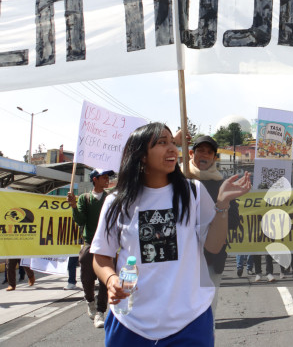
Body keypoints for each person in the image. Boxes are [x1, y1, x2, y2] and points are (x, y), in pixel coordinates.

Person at [90, 122, 251, 345]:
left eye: (172, 143)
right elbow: (101, 256)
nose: (172, 149)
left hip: (189, 322)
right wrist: (111, 280)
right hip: (130, 321)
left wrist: (222, 205)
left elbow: (213, 246)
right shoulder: (116, 202)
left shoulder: (192, 192)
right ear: (141, 155)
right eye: (162, 143)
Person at [179, 133, 243, 313]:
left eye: (209, 152)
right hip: (181, 258)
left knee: (208, 310)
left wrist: (221, 208)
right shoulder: (176, 180)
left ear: (214, 158)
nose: (204, 155)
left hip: (212, 258)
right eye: (200, 150)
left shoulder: (221, 184)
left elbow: (233, 221)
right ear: (191, 153)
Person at [67, 168, 114, 328]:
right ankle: (90, 301)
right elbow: (80, 221)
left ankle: (100, 312)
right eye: (104, 177)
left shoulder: (110, 198)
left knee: (104, 279)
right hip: (89, 244)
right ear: (95, 179)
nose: (107, 180)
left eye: (108, 177)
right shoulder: (85, 199)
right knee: (87, 278)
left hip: (106, 244)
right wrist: (73, 206)